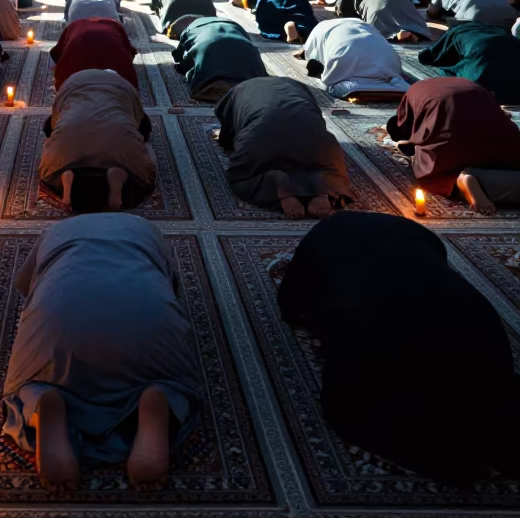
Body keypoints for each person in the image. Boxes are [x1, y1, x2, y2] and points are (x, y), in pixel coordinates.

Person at [277, 211, 520, 483]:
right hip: (403, 237)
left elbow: (341, 400)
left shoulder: (373, 333)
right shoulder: (483, 343)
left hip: (404, 239)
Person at [2, 214, 202, 489]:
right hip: (146, 324)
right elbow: (171, 286)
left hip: (62, 329)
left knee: (30, 383)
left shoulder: (56, 229)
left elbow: (24, 286)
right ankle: (159, 398)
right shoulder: (146, 227)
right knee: (171, 380)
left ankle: (42, 402)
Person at [215, 77, 352, 217]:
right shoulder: (296, 85)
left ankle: (277, 186)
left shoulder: (238, 91)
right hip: (316, 136)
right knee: (329, 169)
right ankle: (324, 189)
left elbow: (228, 136)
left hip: (260, 136)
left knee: (240, 177)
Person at [385, 77, 520, 212]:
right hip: (498, 141)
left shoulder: (415, 93)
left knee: (431, 165)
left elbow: (405, 126)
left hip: (449, 151)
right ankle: (467, 178)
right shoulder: (465, 86)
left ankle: (459, 179)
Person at [40, 69, 156, 210]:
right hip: (118, 137)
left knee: (51, 160)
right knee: (146, 163)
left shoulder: (72, 82)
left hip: (71, 134)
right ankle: (121, 176)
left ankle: (65, 177)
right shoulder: (125, 86)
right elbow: (141, 124)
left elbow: (52, 123)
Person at [299, 18, 408, 100]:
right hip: (390, 59)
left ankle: (362, 88)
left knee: (331, 86)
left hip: (345, 59)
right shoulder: (364, 24)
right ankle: (391, 86)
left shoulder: (321, 26)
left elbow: (310, 54)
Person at [417, 21, 520, 103]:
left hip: (487, 85)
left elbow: (430, 56)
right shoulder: (501, 31)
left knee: (449, 71)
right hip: (516, 89)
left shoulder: (458, 31)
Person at [172, 17, 267, 103]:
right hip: (247, 56)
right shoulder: (235, 26)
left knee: (193, 63)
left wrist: (182, 67)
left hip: (209, 58)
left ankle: (213, 85)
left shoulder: (192, 28)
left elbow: (179, 55)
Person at [327, 0, 431, 42]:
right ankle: (413, 33)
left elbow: (344, 13)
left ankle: (398, 34)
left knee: (379, 32)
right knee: (408, 18)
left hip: (377, 2)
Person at [50, 18, 138, 91]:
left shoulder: (74, 26)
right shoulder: (115, 25)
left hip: (74, 82)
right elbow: (129, 51)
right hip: (119, 84)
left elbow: (56, 52)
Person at [244, 0, 317, 42]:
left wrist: (251, 10)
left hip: (271, 0)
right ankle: (300, 30)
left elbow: (248, 1)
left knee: (269, 25)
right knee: (304, 19)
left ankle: (285, 34)